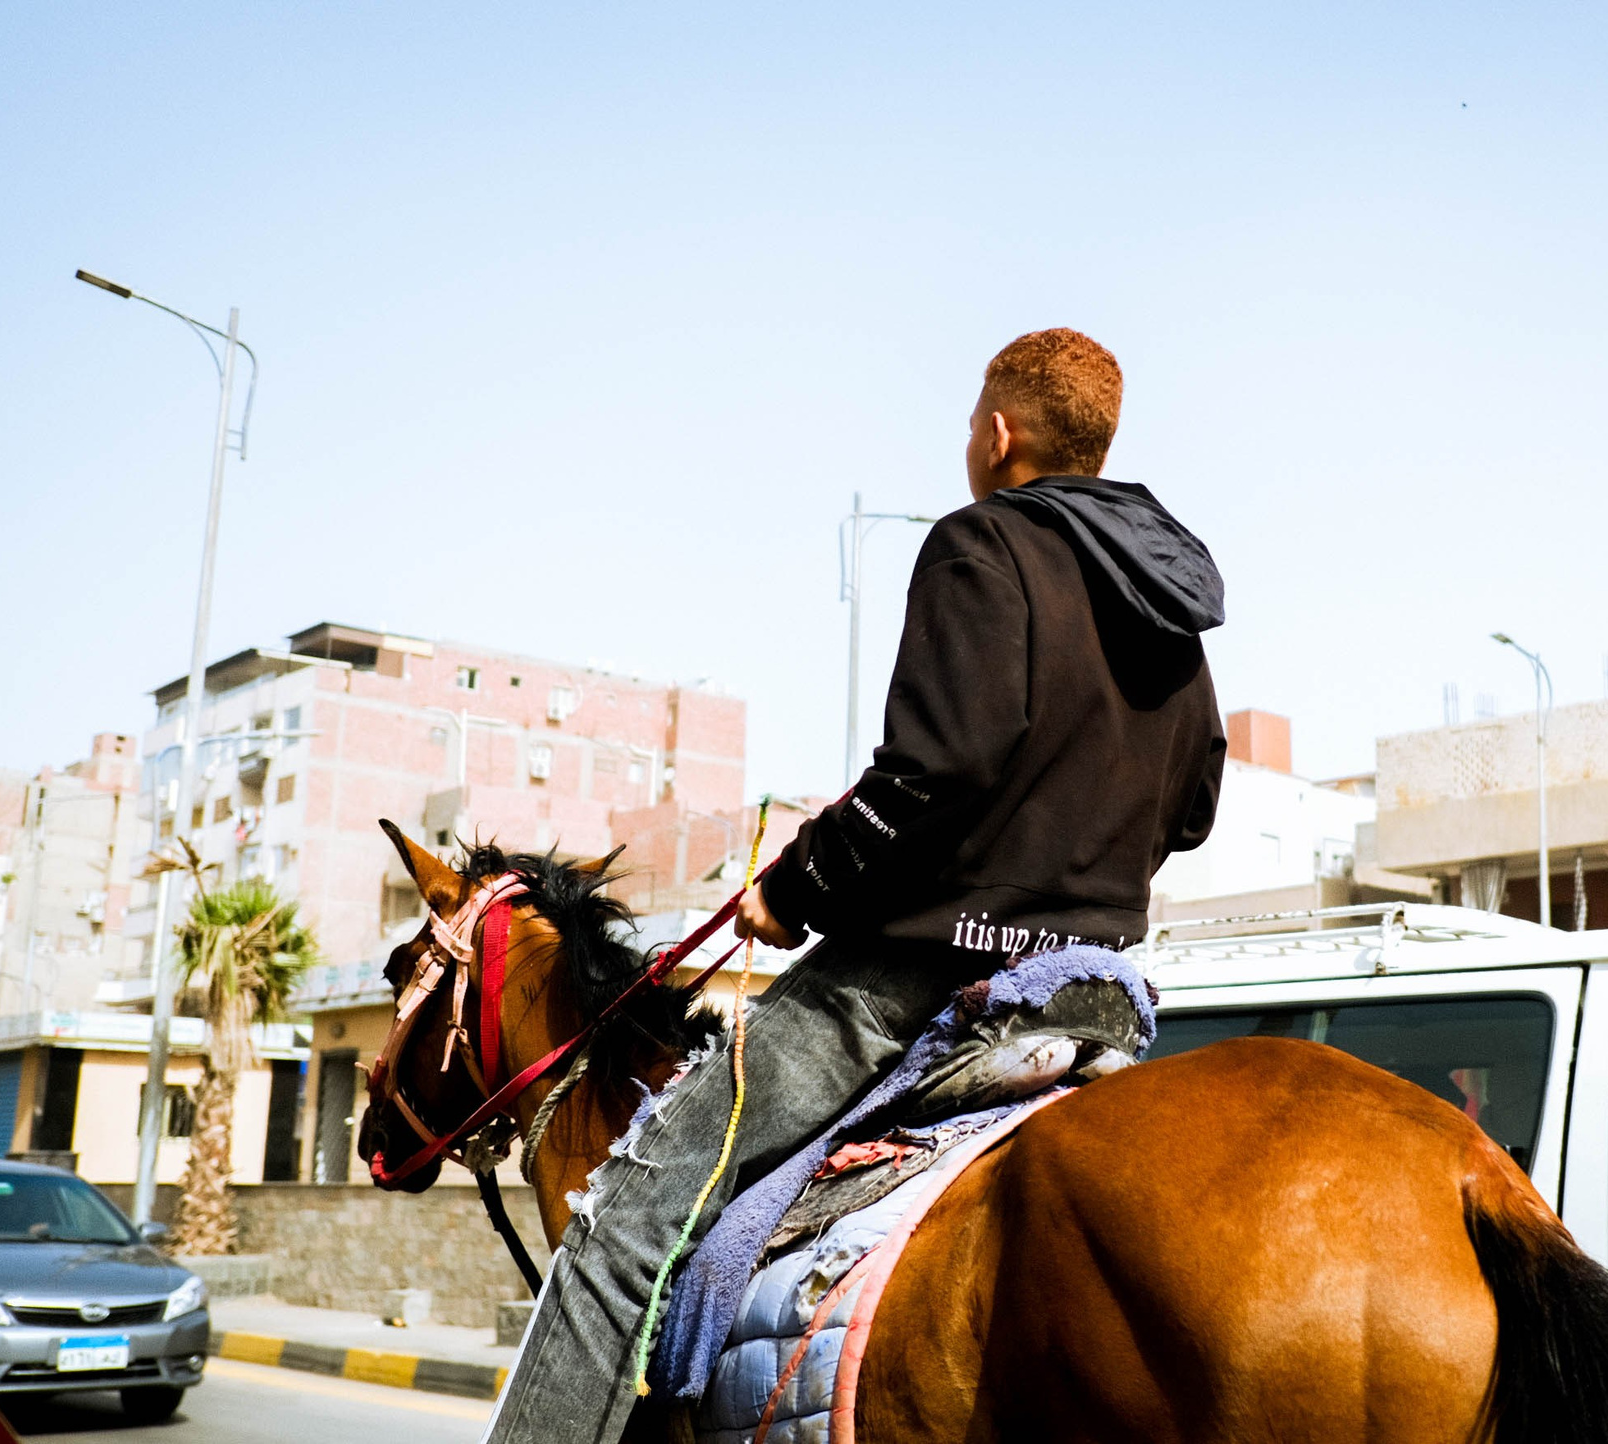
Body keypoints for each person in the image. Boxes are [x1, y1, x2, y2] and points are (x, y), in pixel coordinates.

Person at [485, 328, 1229, 1444]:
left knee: (619, 1221)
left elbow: (933, 768)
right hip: (1100, 988)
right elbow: (1194, 806)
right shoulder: (1170, 604)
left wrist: (798, 887)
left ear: (997, 433)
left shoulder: (981, 543)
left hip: (919, 975)